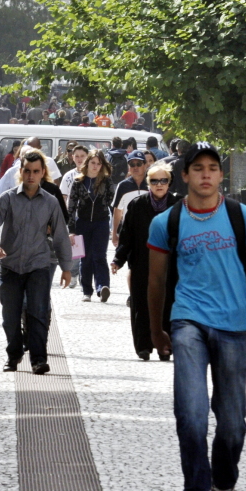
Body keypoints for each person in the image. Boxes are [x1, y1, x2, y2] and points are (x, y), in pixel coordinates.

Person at [145, 142, 246, 491]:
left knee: (232, 421)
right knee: (190, 413)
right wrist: (156, 329)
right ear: (185, 175)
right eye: (198, 168)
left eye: (212, 168)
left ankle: (223, 480)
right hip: (187, 319)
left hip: (232, 324)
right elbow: (155, 281)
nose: (205, 174)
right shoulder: (167, 223)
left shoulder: (242, 217)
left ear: (221, 175)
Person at [0, 149, 73, 373]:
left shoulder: (51, 202)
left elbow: (61, 235)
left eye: (36, 171)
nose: (31, 175)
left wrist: (66, 267)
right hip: (10, 265)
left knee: (38, 312)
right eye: (27, 171)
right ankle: (13, 356)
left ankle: (38, 359)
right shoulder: (8, 198)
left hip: (39, 264)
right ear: (20, 172)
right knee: (10, 316)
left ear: (43, 173)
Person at [112, 162, 176, 360]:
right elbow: (127, 236)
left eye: (163, 180)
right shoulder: (137, 205)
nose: (159, 184)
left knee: (168, 305)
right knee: (141, 306)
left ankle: (165, 346)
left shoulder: (179, 205)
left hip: (171, 266)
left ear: (169, 183)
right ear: (149, 183)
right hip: (142, 263)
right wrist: (118, 259)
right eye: (155, 181)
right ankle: (144, 346)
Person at [68, 149, 115, 302]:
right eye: (93, 163)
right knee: (85, 257)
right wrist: (71, 230)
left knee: (100, 255)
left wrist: (116, 227)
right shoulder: (78, 182)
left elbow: (112, 205)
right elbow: (71, 207)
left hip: (101, 222)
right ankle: (86, 290)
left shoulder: (106, 181)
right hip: (83, 223)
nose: (95, 166)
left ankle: (102, 287)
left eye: (99, 164)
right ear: (87, 163)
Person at [112, 150, 150, 245]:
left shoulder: (153, 183)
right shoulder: (122, 186)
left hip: (149, 231)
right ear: (129, 167)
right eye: (132, 164)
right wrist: (114, 233)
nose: (135, 167)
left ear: (145, 165)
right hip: (129, 231)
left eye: (139, 163)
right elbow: (117, 210)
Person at [59, 144, 89, 209]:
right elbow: (63, 196)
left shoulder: (92, 175)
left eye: (82, 156)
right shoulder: (68, 176)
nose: (79, 159)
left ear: (87, 157)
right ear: (73, 157)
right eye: (77, 156)